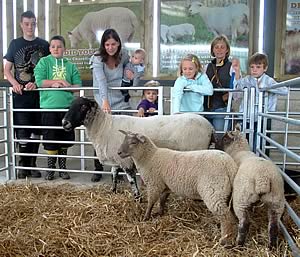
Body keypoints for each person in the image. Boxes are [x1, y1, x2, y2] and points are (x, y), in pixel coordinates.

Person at [3, 10, 50, 179]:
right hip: (21, 96)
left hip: (39, 96)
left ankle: (32, 164)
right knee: (23, 131)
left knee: (36, 130)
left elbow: (49, 71)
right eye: (27, 24)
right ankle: (23, 165)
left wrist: (37, 83)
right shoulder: (15, 44)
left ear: (36, 24)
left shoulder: (44, 45)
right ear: (21, 25)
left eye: (33, 23)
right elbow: (7, 70)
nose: (30, 27)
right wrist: (15, 83)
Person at [34, 35, 82, 180]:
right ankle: (50, 169)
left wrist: (66, 86)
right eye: (53, 46)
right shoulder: (43, 62)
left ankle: (62, 168)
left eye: (59, 46)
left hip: (67, 109)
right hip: (49, 108)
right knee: (50, 138)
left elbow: (78, 87)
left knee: (64, 138)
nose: (56, 49)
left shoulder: (70, 65)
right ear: (49, 49)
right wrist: (57, 82)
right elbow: (40, 81)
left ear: (64, 49)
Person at [89, 28, 134, 182]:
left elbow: (132, 65)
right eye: (107, 44)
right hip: (103, 100)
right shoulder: (97, 58)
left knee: (122, 135)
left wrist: (129, 70)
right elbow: (101, 81)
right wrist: (105, 101)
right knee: (100, 135)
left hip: (121, 100)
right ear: (103, 45)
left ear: (119, 44)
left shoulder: (124, 55)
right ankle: (98, 168)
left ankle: (122, 168)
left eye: (113, 44)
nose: (110, 48)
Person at [233, 52, 288, 150]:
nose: (254, 70)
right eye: (252, 67)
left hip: (263, 117)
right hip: (247, 116)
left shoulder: (268, 80)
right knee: (246, 142)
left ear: (265, 68)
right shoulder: (247, 79)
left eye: (258, 67)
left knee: (261, 142)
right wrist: (237, 72)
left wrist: (268, 88)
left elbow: (284, 90)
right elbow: (238, 87)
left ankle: (261, 161)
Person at [204, 35, 240, 132]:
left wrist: (237, 72)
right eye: (216, 47)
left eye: (222, 47)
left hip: (221, 109)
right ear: (213, 50)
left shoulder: (232, 67)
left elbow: (237, 90)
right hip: (204, 109)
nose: (219, 50)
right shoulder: (206, 67)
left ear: (227, 50)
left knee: (219, 134)